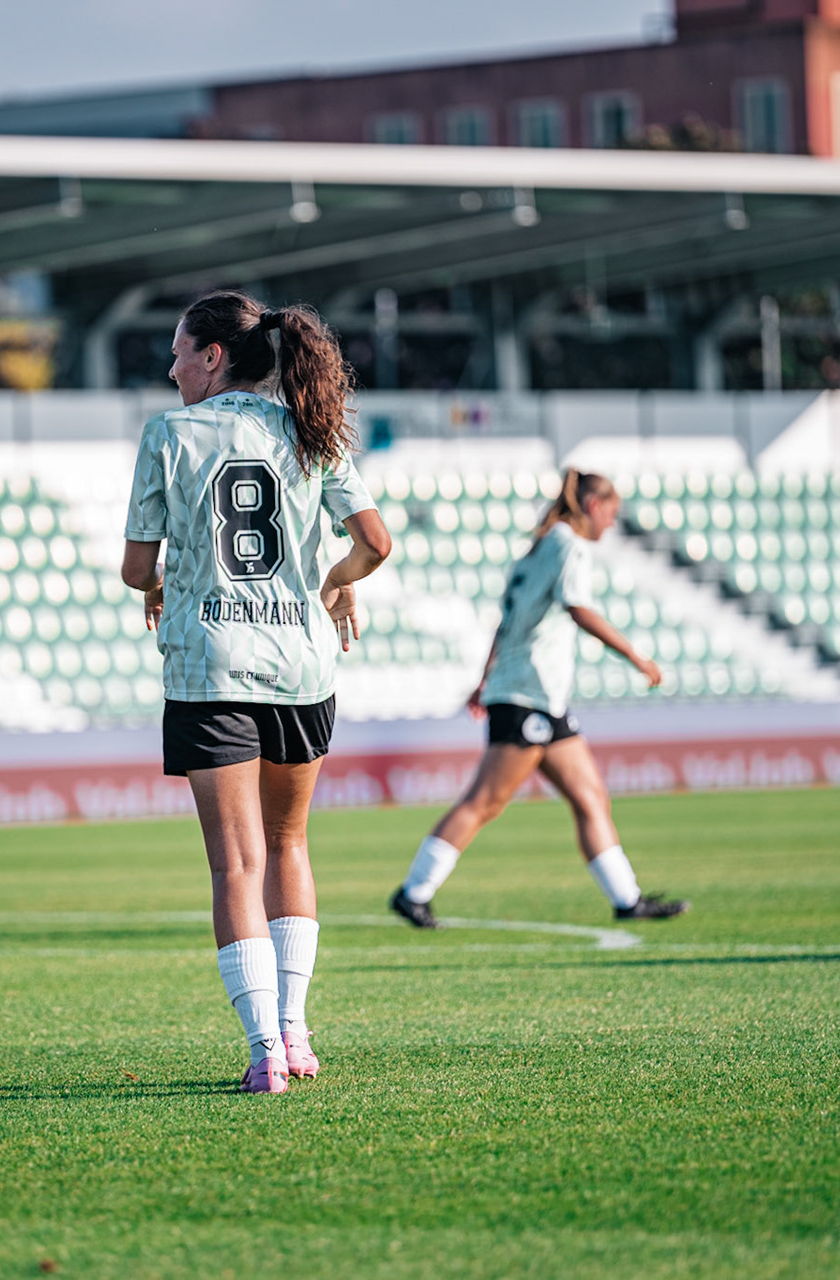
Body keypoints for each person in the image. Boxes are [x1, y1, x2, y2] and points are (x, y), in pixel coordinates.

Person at [122, 290, 391, 1094]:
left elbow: (139, 569)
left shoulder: (170, 433)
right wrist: (335, 582)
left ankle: (263, 1053)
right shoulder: (311, 428)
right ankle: (298, 1032)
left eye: (178, 352)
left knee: (235, 865)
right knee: (290, 847)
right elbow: (375, 543)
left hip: (212, 668)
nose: (170, 368)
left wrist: (160, 583)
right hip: (302, 664)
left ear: (212, 355)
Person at [391, 470, 688, 928]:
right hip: (526, 696)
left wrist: (482, 680)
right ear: (593, 506)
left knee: (590, 798)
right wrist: (636, 655)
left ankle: (628, 899)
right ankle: (414, 892)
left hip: (537, 698)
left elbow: (506, 622)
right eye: (611, 513)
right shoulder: (568, 545)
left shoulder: (538, 549)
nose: (611, 525)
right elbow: (578, 607)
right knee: (484, 802)